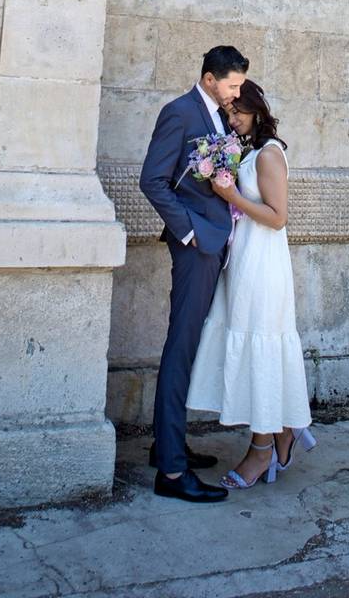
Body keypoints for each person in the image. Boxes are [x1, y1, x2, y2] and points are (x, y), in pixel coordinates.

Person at [186, 79, 316, 490]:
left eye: (238, 112)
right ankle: (282, 430)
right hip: (244, 261)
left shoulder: (269, 154)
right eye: (228, 113)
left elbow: (278, 217)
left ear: (257, 110)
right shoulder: (247, 151)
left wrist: (230, 195)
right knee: (248, 344)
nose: (232, 119)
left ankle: (263, 448)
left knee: (262, 344)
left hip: (264, 265)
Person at [139, 45, 249, 503]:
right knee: (181, 347)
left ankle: (167, 444)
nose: (236, 93)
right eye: (232, 84)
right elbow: (152, 180)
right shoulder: (179, 113)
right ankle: (170, 473)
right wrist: (189, 234)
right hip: (196, 249)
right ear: (209, 78)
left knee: (190, 345)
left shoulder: (219, 118)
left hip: (216, 244)